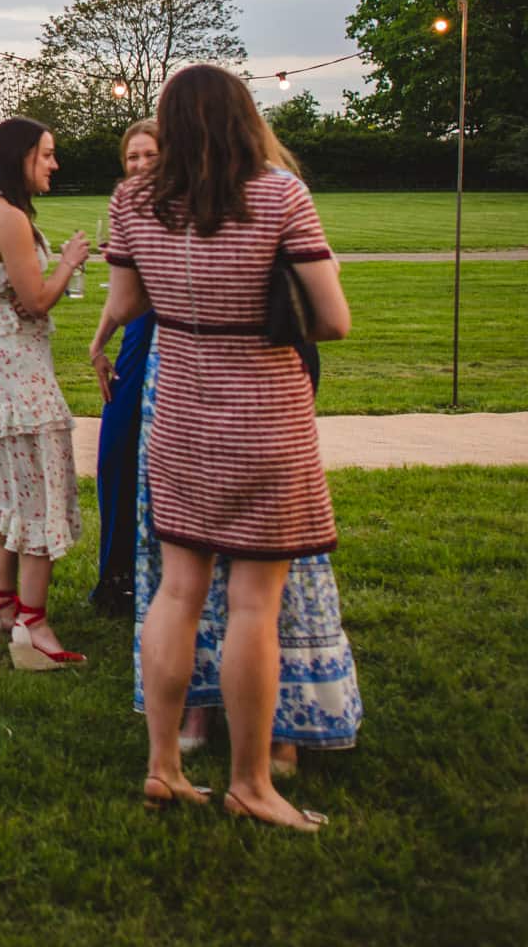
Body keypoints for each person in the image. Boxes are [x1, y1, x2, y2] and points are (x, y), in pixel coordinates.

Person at [100, 63, 352, 829]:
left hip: (177, 404)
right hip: (264, 409)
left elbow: (128, 300)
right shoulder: (279, 194)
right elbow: (333, 318)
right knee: (254, 601)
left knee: (177, 590)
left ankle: (163, 766)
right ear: (244, 117)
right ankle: (251, 780)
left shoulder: (134, 199)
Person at [0, 118, 92, 672]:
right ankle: (32, 626)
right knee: (39, 483)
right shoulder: (8, 217)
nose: (54, 165)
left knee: (5, 483)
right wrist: (69, 261)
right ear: (22, 158)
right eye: (47, 155)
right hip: (15, 368)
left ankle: (0, 604)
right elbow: (35, 301)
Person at [87, 119, 159, 613]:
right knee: (115, 450)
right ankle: (117, 572)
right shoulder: (128, 207)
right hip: (137, 332)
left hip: (168, 336)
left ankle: (143, 575)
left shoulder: (177, 208)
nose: (138, 165)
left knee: (150, 457)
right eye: (131, 157)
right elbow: (121, 298)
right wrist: (97, 346)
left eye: (149, 156)